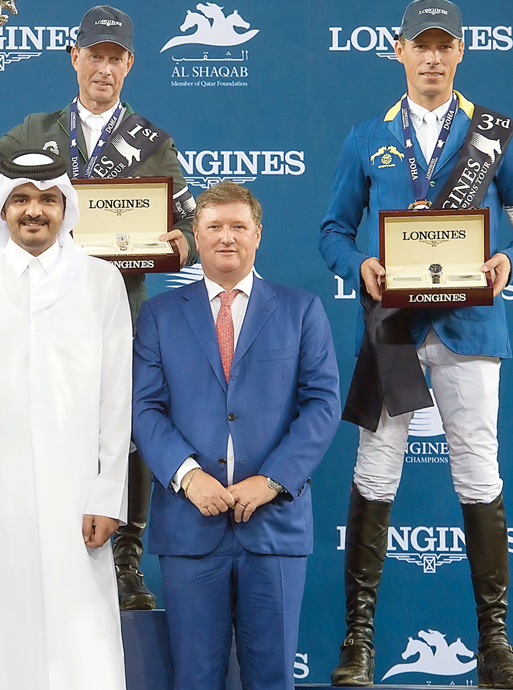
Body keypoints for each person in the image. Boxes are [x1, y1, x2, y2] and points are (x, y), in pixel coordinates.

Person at [319, 0, 513, 689]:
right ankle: (356, 642)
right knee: (375, 469)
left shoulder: (496, 136)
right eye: (419, 45)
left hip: (470, 324)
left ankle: (495, 647)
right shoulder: (367, 136)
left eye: (442, 45)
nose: (431, 56)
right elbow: (333, 229)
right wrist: (357, 263)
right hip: (394, 324)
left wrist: (511, 261)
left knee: (479, 472)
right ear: (398, 51)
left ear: (459, 53)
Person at [0, 3, 195, 611]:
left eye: (115, 58)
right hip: (32, 305)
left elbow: (183, 219)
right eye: (93, 55)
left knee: (120, 429)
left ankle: (127, 560)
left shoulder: (154, 142)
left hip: (114, 306)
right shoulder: (35, 129)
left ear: (129, 64)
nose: (103, 68)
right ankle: (23, 541)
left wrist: (181, 240)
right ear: (73, 58)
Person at [0, 150, 132, 690]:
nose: (33, 211)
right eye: (20, 199)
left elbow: (116, 399)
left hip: (78, 496)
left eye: (47, 200)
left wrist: (109, 494)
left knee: (82, 641)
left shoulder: (102, 281)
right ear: (1, 208)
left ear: (67, 208)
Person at [132, 180, 341, 690]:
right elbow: (144, 407)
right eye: (214, 227)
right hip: (189, 526)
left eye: (238, 227)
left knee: (272, 679)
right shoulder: (159, 314)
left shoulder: (300, 310)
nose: (227, 238)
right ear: (196, 238)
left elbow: (323, 405)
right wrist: (187, 476)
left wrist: (272, 480)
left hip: (274, 525)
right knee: (195, 679)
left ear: (258, 235)